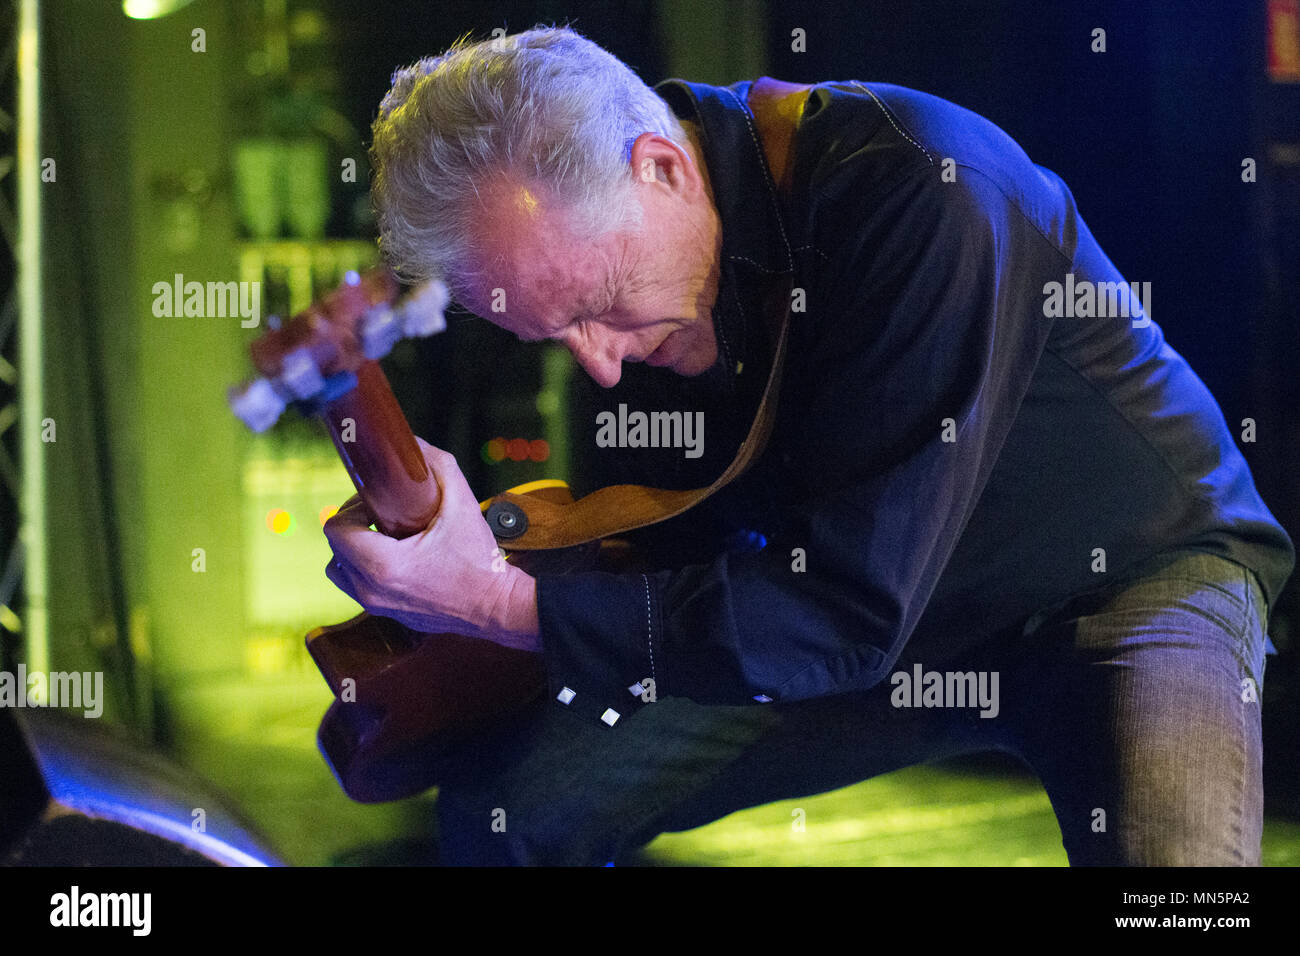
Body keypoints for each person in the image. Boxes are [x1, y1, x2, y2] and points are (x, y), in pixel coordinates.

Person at [322, 25, 1294, 865]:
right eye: (554, 335)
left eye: (600, 309)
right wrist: (474, 546)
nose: (605, 368)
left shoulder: (927, 184)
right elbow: (715, 565)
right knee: (514, 808)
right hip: (869, 618)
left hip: (1130, 572)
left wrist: (499, 602)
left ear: (659, 165)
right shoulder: (636, 259)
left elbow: (839, 612)